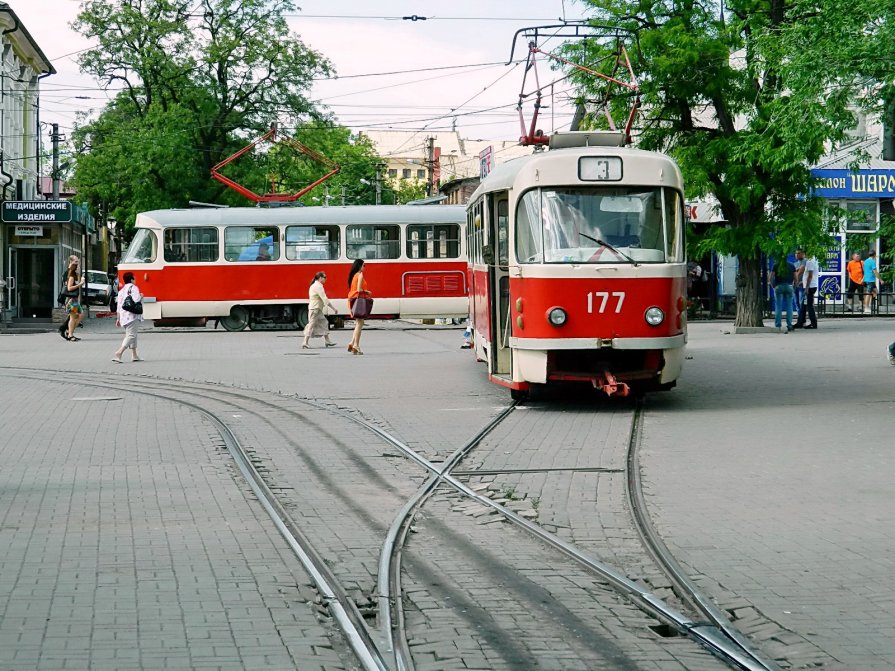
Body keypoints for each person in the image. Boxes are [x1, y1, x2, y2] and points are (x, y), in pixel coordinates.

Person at [112, 272, 144, 363]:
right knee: (131, 335)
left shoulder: (121, 290)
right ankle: (119, 352)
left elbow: (119, 305)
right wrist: (141, 296)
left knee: (132, 334)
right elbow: (136, 299)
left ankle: (134, 355)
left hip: (123, 316)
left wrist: (118, 318)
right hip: (132, 315)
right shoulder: (134, 288)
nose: (135, 280)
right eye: (134, 278)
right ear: (132, 279)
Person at [302, 271, 337, 349]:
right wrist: (333, 308)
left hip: (316, 308)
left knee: (324, 322)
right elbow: (324, 298)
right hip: (315, 308)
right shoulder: (318, 286)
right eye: (325, 277)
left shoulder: (314, 285)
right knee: (311, 324)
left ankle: (327, 341)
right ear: (320, 278)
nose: (326, 279)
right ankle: (305, 342)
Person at [347, 259, 370, 355]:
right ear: (360, 266)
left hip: (353, 300)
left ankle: (352, 343)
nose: (365, 267)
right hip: (359, 301)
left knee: (358, 323)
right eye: (364, 265)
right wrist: (367, 292)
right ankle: (356, 345)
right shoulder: (360, 275)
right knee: (360, 324)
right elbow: (359, 289)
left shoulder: (354, 276)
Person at [769, 256, 795, 333]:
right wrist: (794, 285)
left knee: (778, 306)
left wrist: (772, 285)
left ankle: (778, 326)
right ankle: (789, 325)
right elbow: (795, 276)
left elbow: (770, 277)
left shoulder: (776, 265)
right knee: (789, 306)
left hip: (778, 286)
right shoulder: (791, 265)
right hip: (789, 286)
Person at [60, 261, 85, 341]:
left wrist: (80, 280)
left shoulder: (76, 276)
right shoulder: (71, 277)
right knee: (73, 317)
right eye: (78, 267)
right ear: (75, 268)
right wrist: (80, 284)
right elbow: (69, 288)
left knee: (80, 316)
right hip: (71, 300)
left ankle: (69, 332)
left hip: (75, 300)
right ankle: (70, 334)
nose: (79, 269)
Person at [794, 252, 818, 329]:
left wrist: (807, 287)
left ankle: (813, 323)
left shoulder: (810, 261)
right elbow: (807, 274)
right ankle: (800, 322)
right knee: (803, 305)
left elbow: (810, 276)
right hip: (808, 286)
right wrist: (803, 283)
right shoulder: (810, 261)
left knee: (809, 306)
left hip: (810, 287)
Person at [862, 250, 879, 315]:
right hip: (870, 280)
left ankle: (870, 305)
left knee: (875, 291)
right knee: (868, 294)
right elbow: (875, 272)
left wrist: (863, 279)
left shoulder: (865, 261)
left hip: (867, 279)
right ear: (874, 255)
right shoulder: (872, 262)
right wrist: (880, 279)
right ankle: (866, 308)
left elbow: (865, 271)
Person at [792, 248, 806, 312]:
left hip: (802, 285)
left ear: (802, 254)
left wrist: (803, 281)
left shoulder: (806, 262)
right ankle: (800, 317)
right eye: (795, 253)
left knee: (801, 302)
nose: (796, 255)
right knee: (796, 303)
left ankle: (802, 318)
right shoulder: (795, 264)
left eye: (798, 253)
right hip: (795, 286)